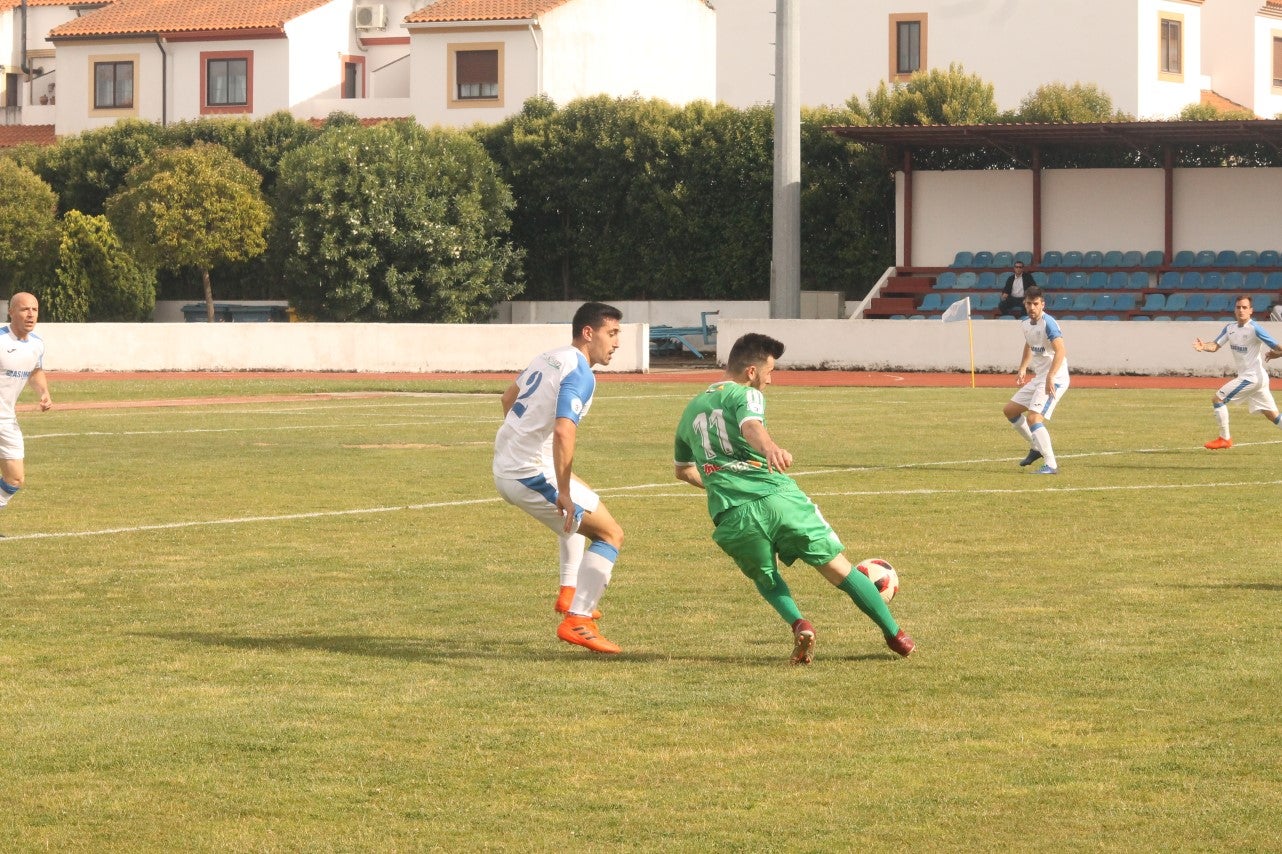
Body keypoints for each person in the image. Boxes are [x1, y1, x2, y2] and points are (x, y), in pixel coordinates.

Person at [672, 332, 915, 665]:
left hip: (732, 515)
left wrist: (721, 484)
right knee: (838, 569)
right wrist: (770, 447)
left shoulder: (690, 411)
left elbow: (683, 471)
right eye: (770, 371)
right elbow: (751, 426)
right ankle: (896, 635)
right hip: (777, 499)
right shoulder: (745, 394)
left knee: (766, 576)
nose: (771, 380)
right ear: (752, 372)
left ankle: (800, 623)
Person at [492, 302, 626, 654]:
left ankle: (569, 591)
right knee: (610, 533)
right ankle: (578, 619)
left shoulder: (549, 356)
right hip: (525, 473)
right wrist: (561, 488)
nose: (616, 343)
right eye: (611, 334)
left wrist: (526, 446)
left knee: (582, 511)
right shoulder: (581, 373)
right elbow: (564, 430)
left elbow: (509, 399)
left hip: (513, 463)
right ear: (588, 333)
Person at [1193, 294, 1282, 450]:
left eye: (1244, 307)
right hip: (1257, 379)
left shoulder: (1255, 329)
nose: (1241, 310)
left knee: (1218, 399)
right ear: (1234, 310)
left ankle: (1225, 439)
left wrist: (1276, 354)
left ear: (1251, 311)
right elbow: (1214, 346)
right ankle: (1224, 439)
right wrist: (1204, 346)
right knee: (1272, 415)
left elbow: (1278, 347)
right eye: (1238, 307)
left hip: (1252, 378)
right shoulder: (1230, 328)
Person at [1003, 285, 1068, 475]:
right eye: (1029, 303)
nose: (1032, 307)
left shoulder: (1049, 323)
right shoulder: (1025, 324)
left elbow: (1061, 350)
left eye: (1036, 304)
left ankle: (1051, 465)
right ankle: (1036, 447)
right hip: (1040, 378)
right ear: (1024, 304)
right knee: (1010, 411)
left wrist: (1051, 376)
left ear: (1042, 304)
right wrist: (1023, 367)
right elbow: (1029, 345)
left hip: (1055, 378)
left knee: (1033, 417)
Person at [0, 292, 53, 522]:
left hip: (6, 419)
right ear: (11, 312)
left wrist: (43, 392)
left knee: (15, 479)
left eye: (34, 309)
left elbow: (35, 371)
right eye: (24, 309)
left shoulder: (37, 345)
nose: (30, 314)